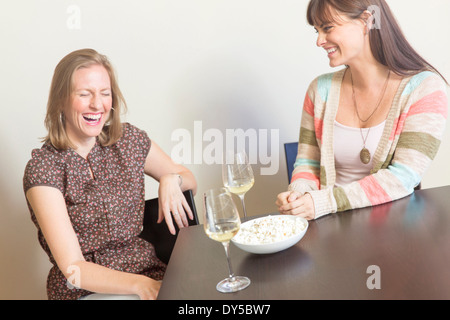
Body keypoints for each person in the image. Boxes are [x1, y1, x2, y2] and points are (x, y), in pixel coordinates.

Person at [23, 48, 197, 300]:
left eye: (105, 93)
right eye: (84, 94)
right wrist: (141, 285)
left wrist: (172, 179)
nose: (97, 104)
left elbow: (189, 179)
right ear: (61, 100)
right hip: (87, 290)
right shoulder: (44, 168)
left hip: (149, 272)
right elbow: (75, 269)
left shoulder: (129, 140)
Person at [277, 0, 448, 220]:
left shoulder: (425, 88)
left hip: (392, 232)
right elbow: (308, 161)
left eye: (327, 28)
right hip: (329, 226)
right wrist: (298, 196)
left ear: (366, 21)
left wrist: (324, 202)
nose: (319, 41)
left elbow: (404, 176)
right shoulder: (319, 90)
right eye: (317, 31)